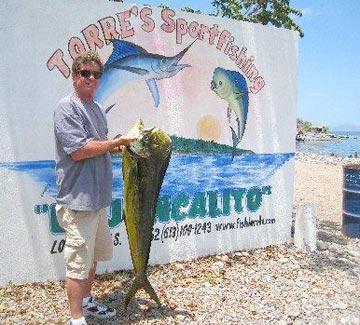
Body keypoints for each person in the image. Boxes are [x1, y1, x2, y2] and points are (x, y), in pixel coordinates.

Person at [54, 51, 136, 325]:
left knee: (92, 258)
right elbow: (78, 150)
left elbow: (98, 147)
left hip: (99, 199)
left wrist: (121, 144)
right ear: (75, 75)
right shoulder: (67, 107)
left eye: (96, 74)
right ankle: (76, 319)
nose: (91, 78)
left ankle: (87, 302)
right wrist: (117, 143)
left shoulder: (98, 109)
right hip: (78, 201)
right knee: (77, 264)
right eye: (85, 73)